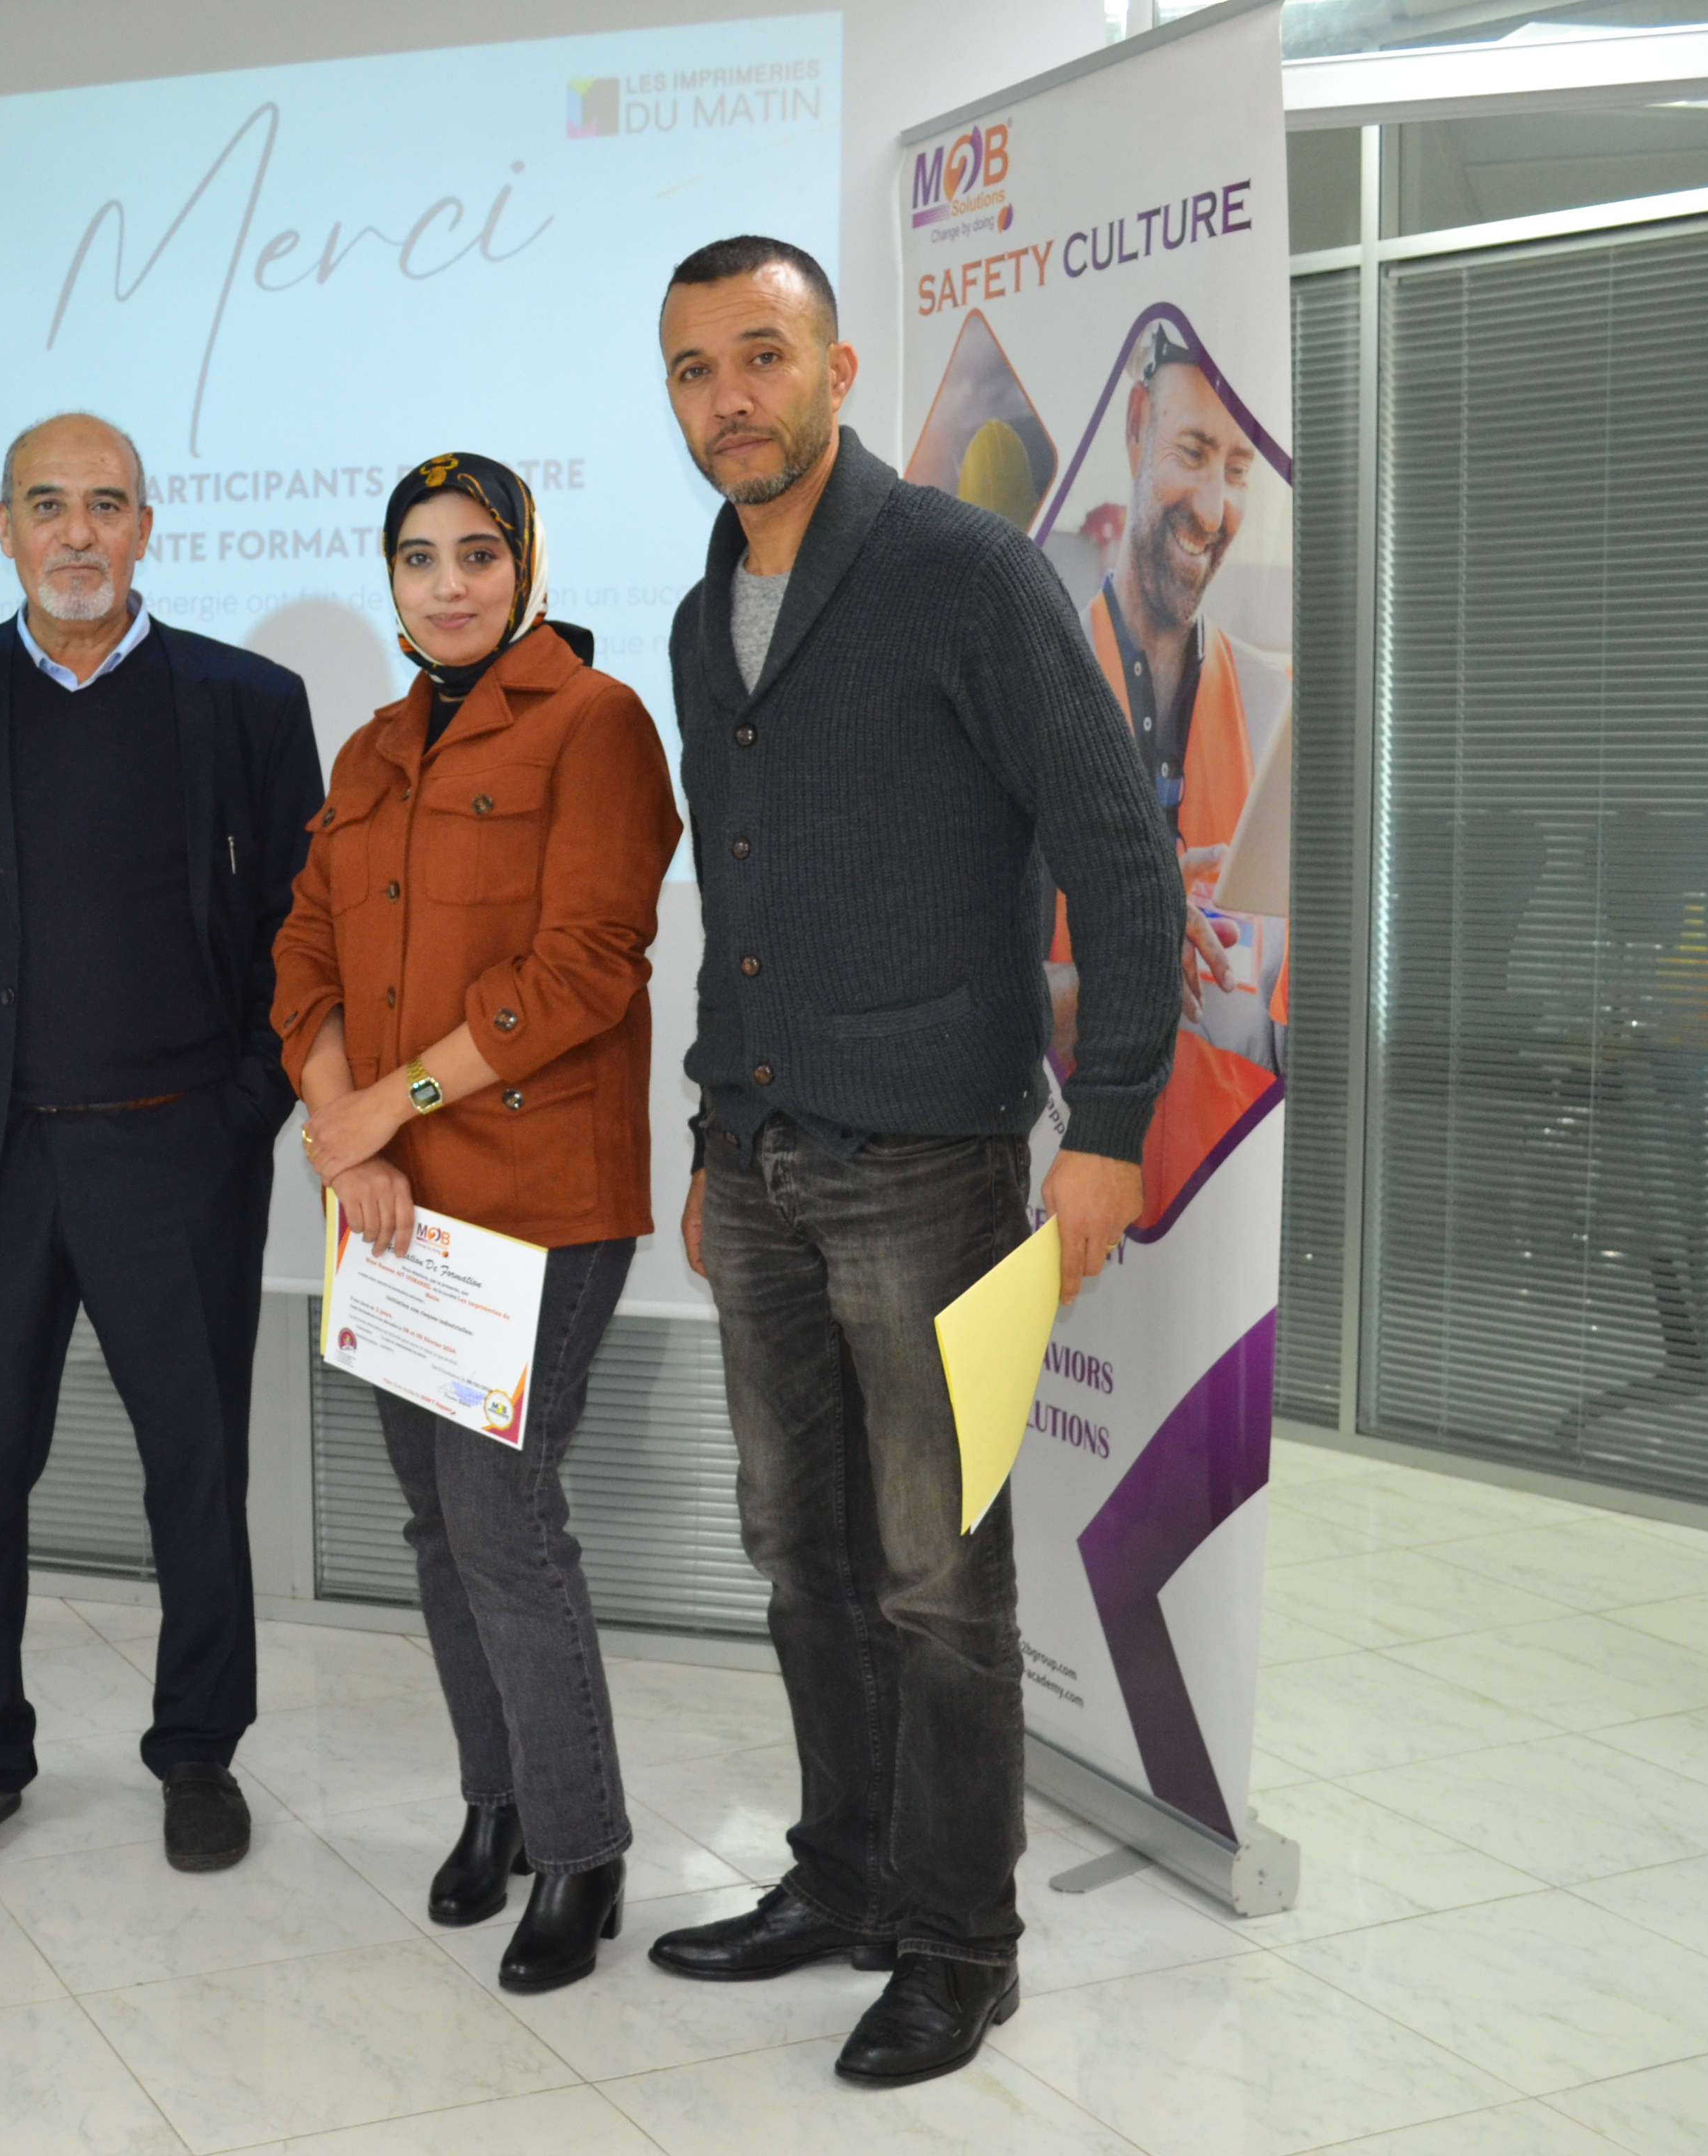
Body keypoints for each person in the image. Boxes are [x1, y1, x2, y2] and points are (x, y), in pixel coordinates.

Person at [642, 238, 1181, 2087]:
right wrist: (714, 1133)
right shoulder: (704, 614)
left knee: (941, 1576)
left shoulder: (966, 574)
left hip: (931, 1166)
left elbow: (1118, 858)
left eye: (762, 354)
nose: (732, 397)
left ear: (839, 369)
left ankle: (960, 1942)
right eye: (696, 369)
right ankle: (847, 1876)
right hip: (763, 1160)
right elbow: (739, 908)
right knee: (800, 1552)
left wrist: (1107, 1130)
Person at [0, 412, 322, 1876]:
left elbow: (303, 943)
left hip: (178, 1158)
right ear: (4, 529)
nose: (78, 533)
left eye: (108, 504)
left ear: (148, 527)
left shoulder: (247, 702)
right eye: (48, 505)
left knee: (196, 1476)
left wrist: (245, 1110)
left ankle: (199, 1751)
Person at [274, 454, 681, 1993]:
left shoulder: (597, 722)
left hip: (538, 1194)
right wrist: (348, 1133)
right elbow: (305, 955)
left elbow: (585, 967)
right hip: (394, 1204)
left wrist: (389, 1106)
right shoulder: (375, 745)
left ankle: (583, 1851)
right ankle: (496, 1804)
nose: (447, 584)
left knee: (505, 1521)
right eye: (418, 556)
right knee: (438, 1523)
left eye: (477, 553)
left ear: (527, 566)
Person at [1047, 323, 1290, 1229]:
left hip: (1222, 1224)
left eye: (1239, 470)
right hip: (1053, 1184)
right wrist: (1137, 943)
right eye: (1193, 452)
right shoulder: (1032, 688)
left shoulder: (1279, 705)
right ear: (1136, 427)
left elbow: (1286, 1022)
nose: (1215, 508)